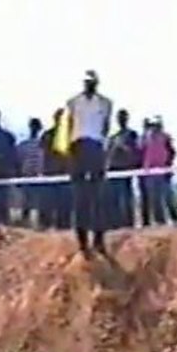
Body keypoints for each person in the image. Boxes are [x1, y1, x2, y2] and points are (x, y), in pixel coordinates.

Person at [66, 70, 113, 255]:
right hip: (78, 146)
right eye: (86, 82)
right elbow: (69, 125)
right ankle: (82, 241)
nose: (88, 85)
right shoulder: (73, 102)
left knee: (98, 195)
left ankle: (99, 239)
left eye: (91, 82)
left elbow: (106, 126)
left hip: (95, 146)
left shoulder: (105, 103)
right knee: (79, 196)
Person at [105, 108, 141, 229]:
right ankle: (115, 223)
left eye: (123, 117)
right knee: (113, 198)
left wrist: (123, 147)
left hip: (126, 169)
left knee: (126, 197)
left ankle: (128, 222)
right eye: (119, 117)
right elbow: (108, 152)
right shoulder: (114, 136)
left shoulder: (132, 135)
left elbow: (136, 151)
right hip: (113, 170)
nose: (121, 120)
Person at [39, 108, 73, 230]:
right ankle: (46, 228)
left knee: (64, 209)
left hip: (65, 176)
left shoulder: (72, 136)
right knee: (48, 206)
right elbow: (42, 154)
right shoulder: (48, 135)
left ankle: (62, 228)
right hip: (52, 175)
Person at [140, 117, 174, 226]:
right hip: (149, 171)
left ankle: (173, 219)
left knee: (167, 197)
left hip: (163, 170)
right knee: (154, 198)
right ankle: (159, 221)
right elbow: (141, 149)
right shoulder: (146, 138)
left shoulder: (165, 137)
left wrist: (168, 166)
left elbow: (171, 152)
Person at [16, 118, 46, 227]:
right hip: (35, 176)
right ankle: (34, 223)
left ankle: (31, 222)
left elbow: (18, 160)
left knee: (29, 201)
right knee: (32, 201)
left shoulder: (24, 145)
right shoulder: (42, 145)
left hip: (33, 176)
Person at [138, 117, 152, 227]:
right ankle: (146, 221)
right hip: (143, 170)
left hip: (155, 170)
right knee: (145, 197)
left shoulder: (159, 137)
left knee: (157, 197)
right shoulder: (141, 138)